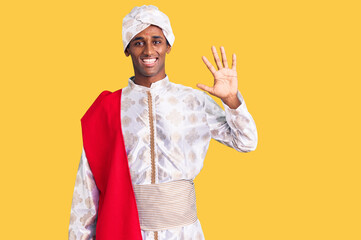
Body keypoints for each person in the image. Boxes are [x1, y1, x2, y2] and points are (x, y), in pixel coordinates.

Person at [68, 5, 258, 240]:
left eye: (156, 41)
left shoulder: (193, 101)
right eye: (138, 42)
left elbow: (247, 141)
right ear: (127, 49)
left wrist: (231, 100)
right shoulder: (107, 110)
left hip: (183, 233)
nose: (149, 50)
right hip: (124, 230)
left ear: (168, 46)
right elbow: (86, 194)